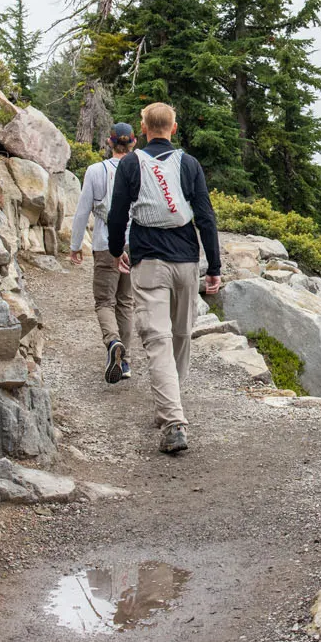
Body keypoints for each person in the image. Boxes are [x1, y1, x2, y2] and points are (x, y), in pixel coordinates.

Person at [106, 102, 223, 454]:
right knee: (181, 336)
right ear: (173, 128)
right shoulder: (189, 164)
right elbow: (205, 216)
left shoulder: (129, 164)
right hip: (187, 262)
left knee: (158, 339)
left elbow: (117, 214)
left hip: (148, 262)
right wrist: (214, 267)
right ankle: (173, 412)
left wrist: (116, 251)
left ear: (144, 129)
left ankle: (171, 415)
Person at [69, 123, 139, 384]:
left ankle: (113, 341)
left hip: (104, 244)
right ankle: (126, 361)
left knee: (104, 302)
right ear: (133, 143)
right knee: (126, 301)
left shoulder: (95, 171)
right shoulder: (139, 169)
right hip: (134, 244)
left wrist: (76, 245)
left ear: (109, 143)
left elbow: (82, 210)